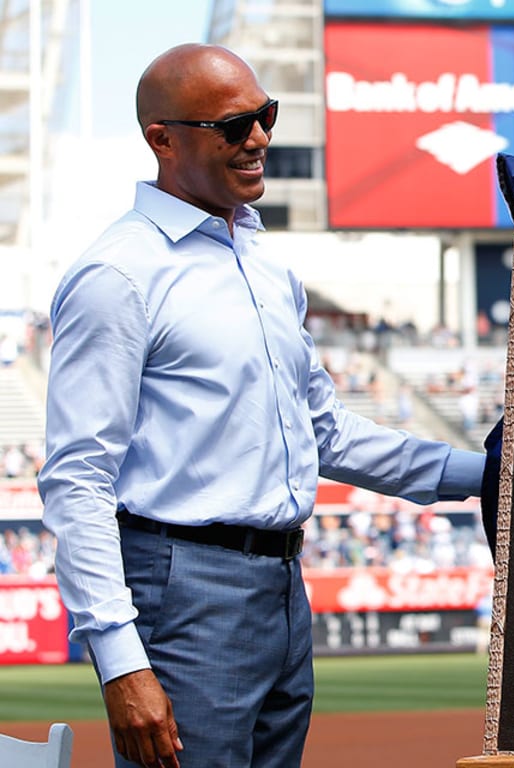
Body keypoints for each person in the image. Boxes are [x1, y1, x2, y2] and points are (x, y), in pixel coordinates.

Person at [37, 44, 484, 768]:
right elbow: (77, 478)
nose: (260, 137)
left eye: (265, 114)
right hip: (182, 587)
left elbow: (325, 433)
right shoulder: (117, 273)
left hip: (283, 586)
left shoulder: (264, 264)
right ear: (163, 138)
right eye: (235, 123)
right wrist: (121, 659)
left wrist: (493, 471)